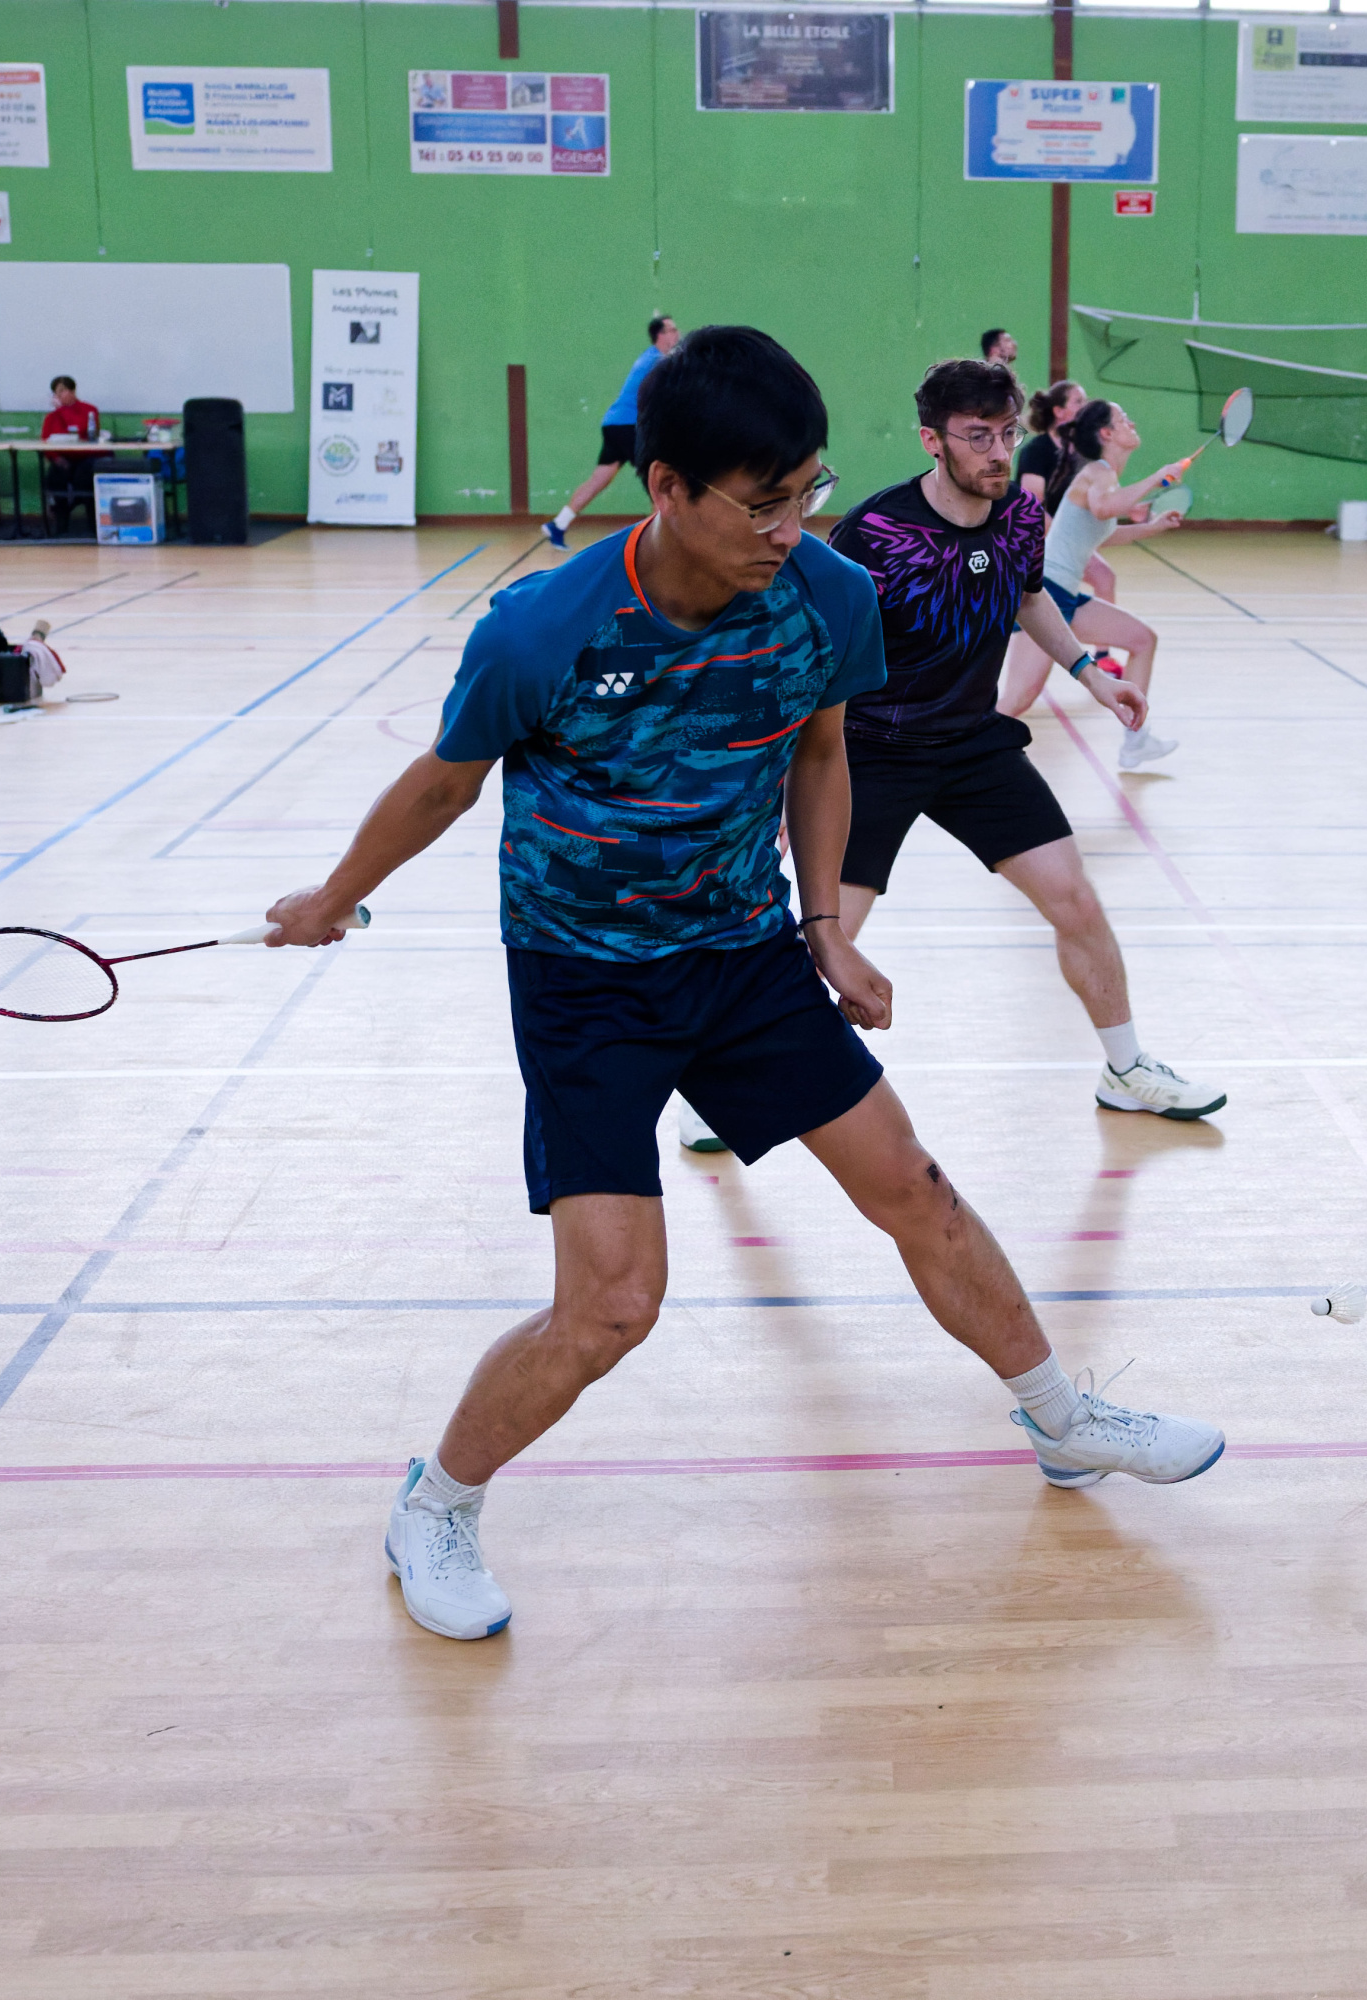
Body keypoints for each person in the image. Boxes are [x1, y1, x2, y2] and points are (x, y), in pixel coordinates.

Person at [263, 325, 1225, 1642]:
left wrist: (825, 927)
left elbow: (821, 749)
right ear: (665, 486)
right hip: (586, 981)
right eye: (762, 502)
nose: (789, 528)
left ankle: (1062, 1421)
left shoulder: (826, 596)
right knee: (611, 1306)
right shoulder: (543, 626)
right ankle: (435, 1502)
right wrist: (330, 896)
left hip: (744, 954)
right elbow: (444, 782)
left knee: (914, 1189)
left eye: (806, 491)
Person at [826, 356, 1225, 1124]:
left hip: (971, 743)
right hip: (873, 748)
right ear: (931, 440)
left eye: (1007, 434)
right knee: (830, 934)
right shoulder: (873, 532)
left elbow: (1029, 596)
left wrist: (1090, 674)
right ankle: (732, 1088)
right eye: (976, 436)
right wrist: (792, 769)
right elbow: (817, 650)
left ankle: (1125, 1069)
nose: (997, 452)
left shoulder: (1014, 514)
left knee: (1074, 900)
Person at [999, 398, 1187, 772]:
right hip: (1043, 593)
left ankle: (1135, 742)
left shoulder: (1104, 478)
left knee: (1142, 640)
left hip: (1065, 595)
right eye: (1123, 419)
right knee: (1016, 700)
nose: (1131, 423)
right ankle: (951, 756)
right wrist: (1158, 477)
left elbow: (1101, 532)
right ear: (1106, 433)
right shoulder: (1097, 473)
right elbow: (1104, 508)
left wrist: (1151, 528)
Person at [541, 316, 680, 549]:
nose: (678, 333)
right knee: (658, 479)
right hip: (628, 426)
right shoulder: (657, 361)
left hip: (613, 424)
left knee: (599, 479)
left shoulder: (650, 357)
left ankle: (558, 524)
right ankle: (659, 544)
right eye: (672, 330)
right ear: (661, 335)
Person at [1017, 381, 1122, 604]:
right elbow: (1032, 509)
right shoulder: (1036, 451)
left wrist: (1131, 508)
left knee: (1104, 578)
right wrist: (1064, 539)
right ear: (1059, 411)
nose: (1084, 406)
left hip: (1061, 539)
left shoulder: (1082, 454)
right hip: (1031, 540)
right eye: (1078, 401)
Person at [40, 374, 106, 536]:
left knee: (85, 476)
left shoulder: (89, 410)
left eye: (62, 391)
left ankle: (93, 527)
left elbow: (86, 434)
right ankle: (61, 526)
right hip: (64, 458)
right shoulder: (52, 417)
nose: (59, 395)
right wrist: (56, 458)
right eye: (56, 392)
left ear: (72, 391)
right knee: (55, 477)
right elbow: (45, 441)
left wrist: (62, 412)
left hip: (86, 457)